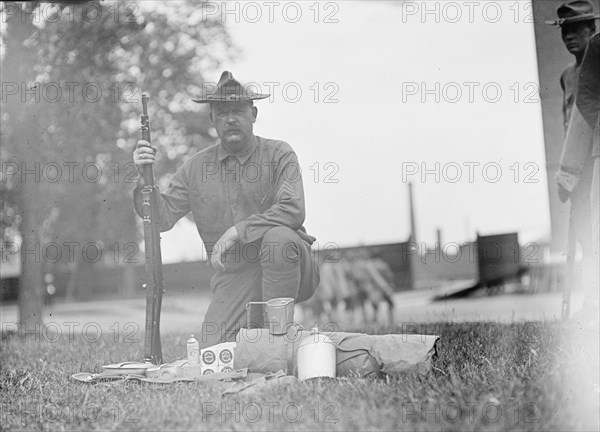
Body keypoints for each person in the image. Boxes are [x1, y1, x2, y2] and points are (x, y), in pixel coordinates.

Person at [132, 71, 320, 347]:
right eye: (221, 113)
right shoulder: (195, 168)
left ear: (253, 114)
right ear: (212, 120)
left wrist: (237, 232)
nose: (230, 118)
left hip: (288, 265)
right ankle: (268, 333)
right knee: (214, 349)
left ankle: (279, 338)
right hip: (236, 275)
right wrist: (142, 177)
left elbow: (292, 209)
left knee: (278, 240)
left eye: (238, 111)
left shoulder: (280, 154)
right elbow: (161, 218)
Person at [548, 1, 598, 315]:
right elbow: (569, 122)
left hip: (598, 156)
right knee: (584, 235)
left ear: (592, 29)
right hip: (578, 164)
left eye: (576, 29)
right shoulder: (567, 75)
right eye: (565, 30)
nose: (569, 36)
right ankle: (592, 299)